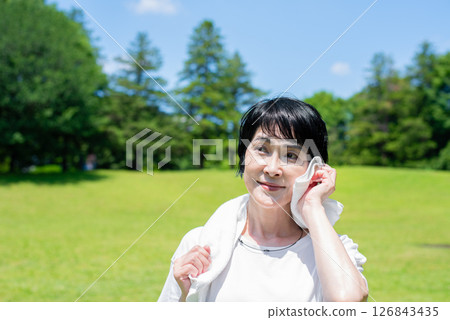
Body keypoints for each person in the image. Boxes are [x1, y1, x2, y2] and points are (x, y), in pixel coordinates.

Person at [159, 97, 368, 302]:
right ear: (243, 157)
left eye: (291, 155)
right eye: (262, 150)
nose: (272, 169)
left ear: (313, 169)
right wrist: (187, 296)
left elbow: (347, 303)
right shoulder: (200, 244)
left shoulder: (333, 249)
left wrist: (313, 206)